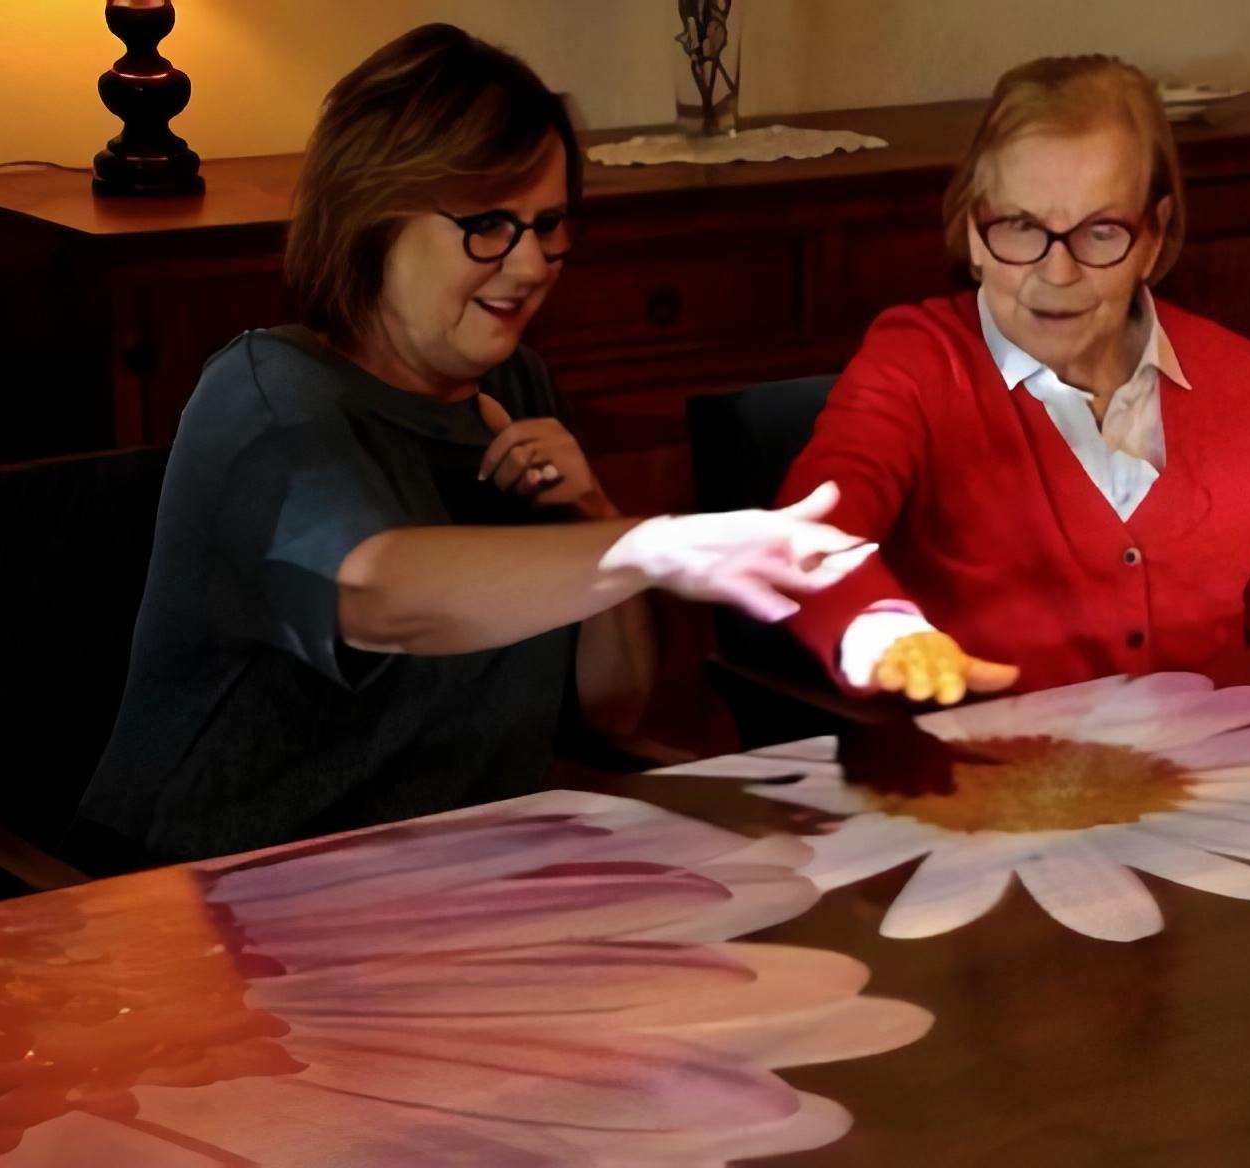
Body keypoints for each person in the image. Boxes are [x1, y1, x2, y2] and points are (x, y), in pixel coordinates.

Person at [68, 24, 870, 868]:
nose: (530, 268)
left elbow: (614, 713)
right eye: (488, 224)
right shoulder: (266, 397)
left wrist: (592, 512)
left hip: (445, 886)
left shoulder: (517, 387)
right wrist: (657, 546)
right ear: (375, 212)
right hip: (201, 910)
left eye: (549, 225)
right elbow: (378, 594)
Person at [776, 55, 1250, 706]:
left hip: (1216, 786)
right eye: (1021, 227)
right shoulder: (915, 365)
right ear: (972, 229)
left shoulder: (1249, 379)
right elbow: (806, 542)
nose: (1056, 273)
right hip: (985, 794)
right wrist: (884, 633)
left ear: (1153, 238)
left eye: (1100, 232)